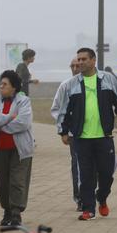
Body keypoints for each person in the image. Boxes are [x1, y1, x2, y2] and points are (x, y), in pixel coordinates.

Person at [53, 48, 117, 221]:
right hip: (81, 138)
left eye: (84, 59)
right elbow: (63, 110)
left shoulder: (108, 80)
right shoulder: (71, 85)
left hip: (104, 137)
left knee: (107, 173)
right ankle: (88, 209)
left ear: (93, 60)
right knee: (85, 175)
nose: (80, 62)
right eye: (78, 59)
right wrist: (63, 132)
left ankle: (101, 198)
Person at [0, 70, 34, 226]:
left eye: (5, 84)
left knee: (17, 181)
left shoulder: (23, 101)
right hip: (0, 149)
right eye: (1, 84)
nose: (1, 87)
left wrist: (1, 125)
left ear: (14, 87)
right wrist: (7, 118)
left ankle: (16, 213)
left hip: (20, 149)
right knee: (2, 181)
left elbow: (23, 122)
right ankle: (6, 211)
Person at [51, 57, 82, 211]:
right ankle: (80, 198)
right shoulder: (65, 86)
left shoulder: (96, 84)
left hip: (96, 133)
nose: (75, 68)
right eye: (73, 66)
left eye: (78, 65)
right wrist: (63, 130)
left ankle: (94, 193)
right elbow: (56, 109)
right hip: (73, 134)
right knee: (77, 165)